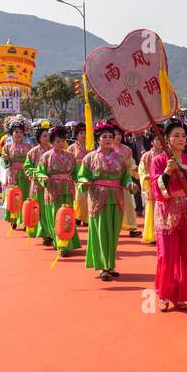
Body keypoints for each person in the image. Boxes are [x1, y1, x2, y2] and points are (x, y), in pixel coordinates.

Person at [149, 120, 187, 311]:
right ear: (167, 140)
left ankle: (180, 295)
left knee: (184, 256)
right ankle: (164, 293)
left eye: (182, 135)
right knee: (167, 256)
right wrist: (168, 172)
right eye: (176, 135)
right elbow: (157, 189)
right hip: (166, 213)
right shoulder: (159, 161)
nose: (180, 139)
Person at [76, 120, 136, 280]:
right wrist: (84, 181)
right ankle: (103, 266)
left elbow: (126, 177)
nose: (108, 139)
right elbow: (82, 175)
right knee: (101, 231)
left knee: (113, 232)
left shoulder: (121, 158)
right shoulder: (90, 158)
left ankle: (110, 264)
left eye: (111, 136)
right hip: (97, 199)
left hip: (116, 198)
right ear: (98, 139)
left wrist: (129, 184)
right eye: (104, 137)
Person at [31, 126, 81, 256]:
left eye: (62, 141)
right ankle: (61, 245)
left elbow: (76, 173)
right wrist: (44, 178)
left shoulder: (70, 156)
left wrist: (81, 181)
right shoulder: (46, 157)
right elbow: (40, 173)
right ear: (52, 142)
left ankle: (68, 243)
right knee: (56, 217)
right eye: (57, 141)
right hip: (53, 190)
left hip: (68, 189)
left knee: (68, 216)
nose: (60, 143)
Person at [0, 121, 31, 227]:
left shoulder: (29, 146)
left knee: (25, 196)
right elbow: (4, 163)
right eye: (16, 132)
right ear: (11, 133)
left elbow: (32, 161)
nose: (18, 134)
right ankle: (14, 218)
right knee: (14, 197)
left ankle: (25, 219)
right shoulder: (7, 147)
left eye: (20, 132)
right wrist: (7, 159)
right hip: (13, 175)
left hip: (25, 175)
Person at [138, 131, 165, 244]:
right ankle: (153, 235)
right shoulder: (147, 156)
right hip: (152, 185)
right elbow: (141, 171)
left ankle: (163, 233)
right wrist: (147, 177)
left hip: (164, 185)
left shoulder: (167, 154)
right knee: (152, 210)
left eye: (161, 139)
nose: (159, 142)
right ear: (152, 142)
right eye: (157, 139)